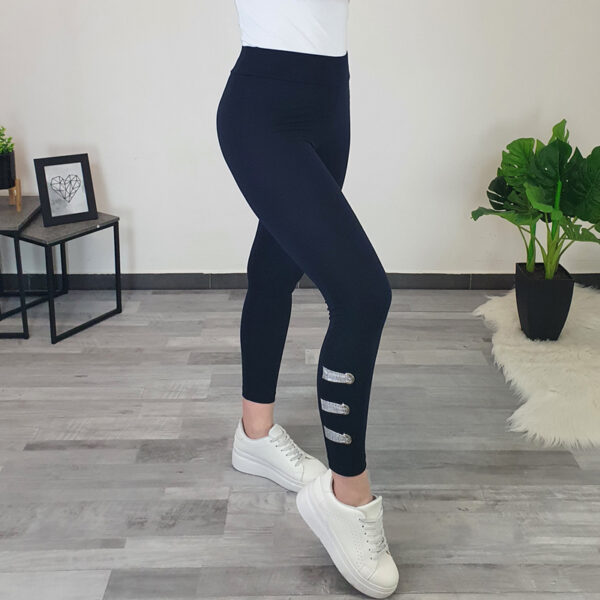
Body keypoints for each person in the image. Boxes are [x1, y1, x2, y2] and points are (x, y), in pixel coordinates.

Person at [216, 1, 399, 597]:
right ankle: (348, 497)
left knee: (277, 267)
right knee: (362, 296)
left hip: (330, 101)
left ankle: (255, 434)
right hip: (262, 109)